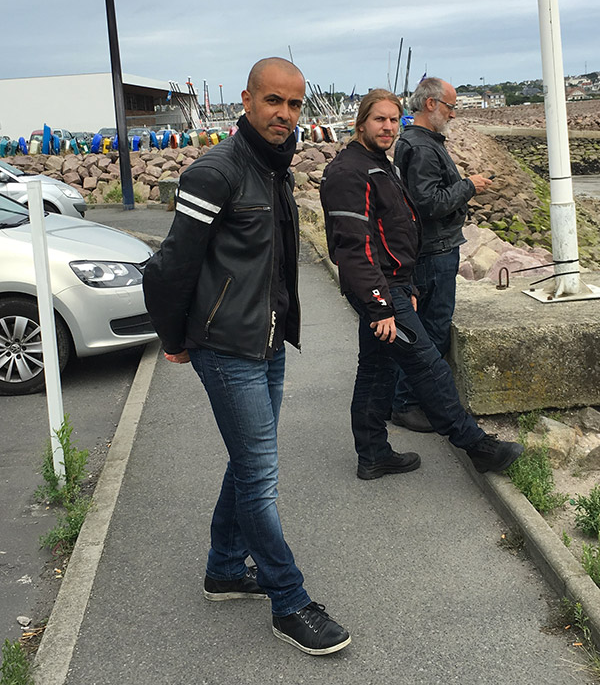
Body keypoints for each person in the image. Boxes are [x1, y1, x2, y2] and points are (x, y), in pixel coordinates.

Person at [143, 57, 351, 657]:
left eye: (294, 104)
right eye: (273, 102)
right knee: (260, 474)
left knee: (247, 460)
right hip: (226, 346)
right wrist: (174, 338)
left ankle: (226, 569)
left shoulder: (275, 168)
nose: (285, 115)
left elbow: (276, 265)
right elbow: (172, 264)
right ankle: (290, 600)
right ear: (248, 100)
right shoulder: (217, 171)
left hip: (266, 342)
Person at [319, 89, 522, 480]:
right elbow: (352, 245)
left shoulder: (378, 163)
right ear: (361, 122)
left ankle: (374, 453)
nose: (389, 127)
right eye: (380, 119)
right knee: (429, 367)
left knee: (375, 371)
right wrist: (381, 304)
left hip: (391, 285)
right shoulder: (350, 172)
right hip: (379, 291)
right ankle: (477, 446)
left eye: (394, 120)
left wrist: (406, 281)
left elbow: (392, 232)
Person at [391, 78, 493, 432]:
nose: (452, 114)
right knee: (431, 329)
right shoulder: (420, 146)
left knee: (426, 327)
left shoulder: (419, 141)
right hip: (434, 251)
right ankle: (405, 402)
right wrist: (469, 186)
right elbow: (428, 203)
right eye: (450, 107)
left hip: (432, 248)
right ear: (431, 105)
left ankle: (409, 399)